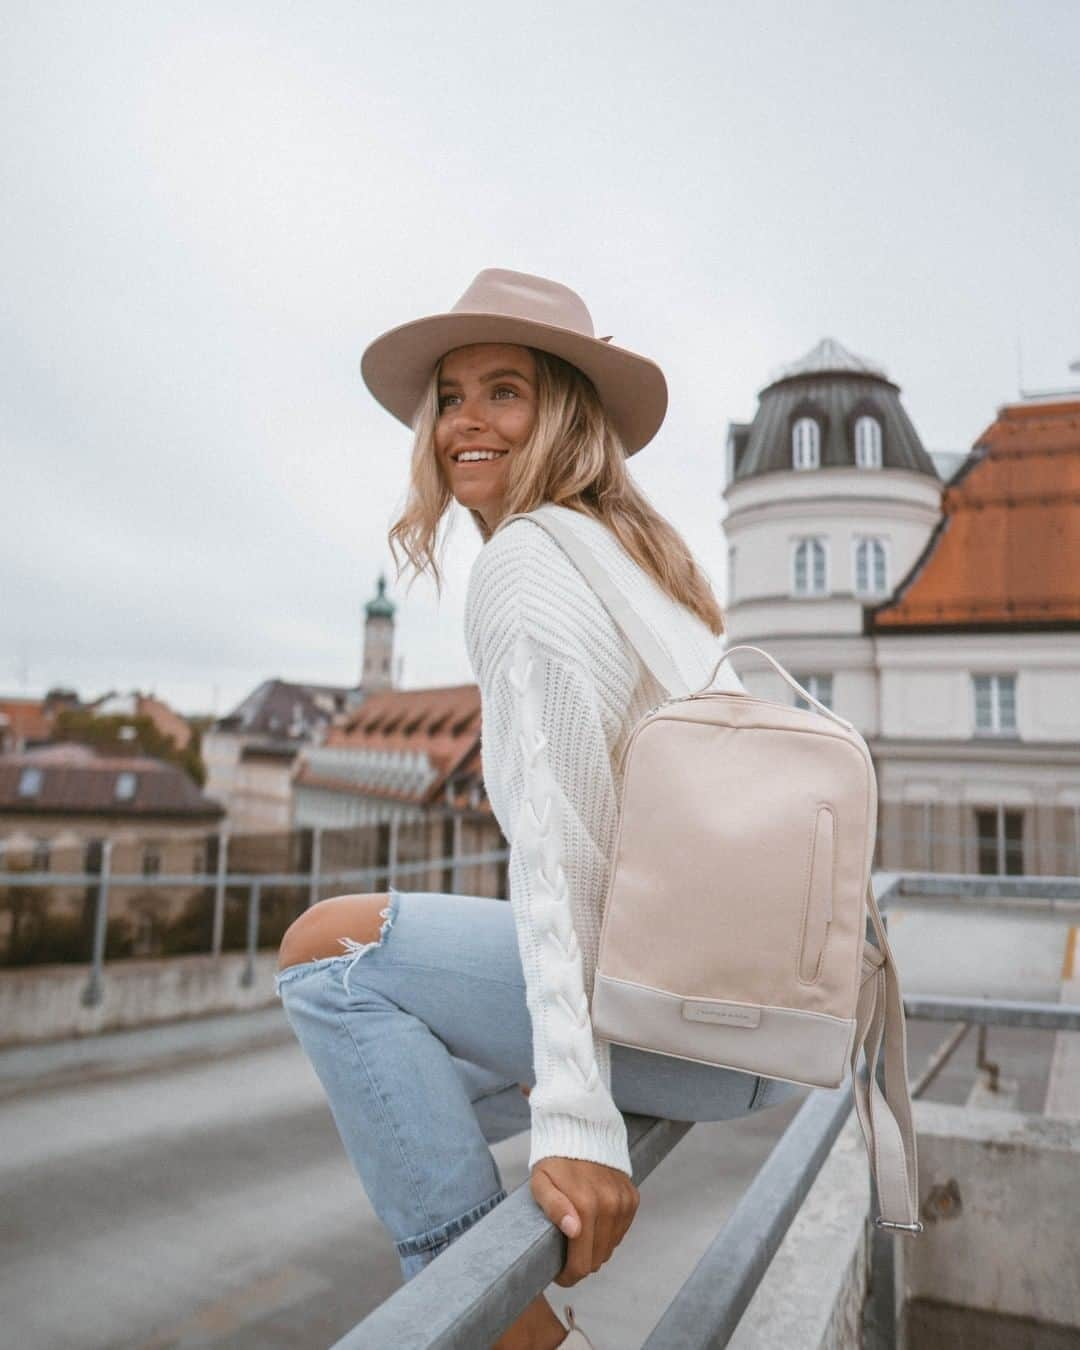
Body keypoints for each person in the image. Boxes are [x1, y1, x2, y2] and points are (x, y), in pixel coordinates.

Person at [275, 268, 794, 1350]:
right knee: (402, 1078)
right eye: (451, 396)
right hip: (764, 1019)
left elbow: (562, 863)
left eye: (503, 391)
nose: (466, 419)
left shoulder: (524, 565)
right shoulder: (635, 559)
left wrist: (572, 1118)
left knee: (326, 953)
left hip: (687, 1016)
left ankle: (507, 1331)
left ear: (562, 413)